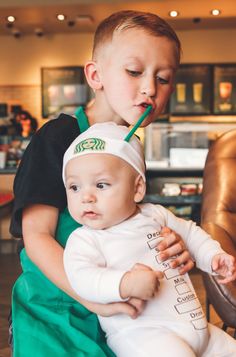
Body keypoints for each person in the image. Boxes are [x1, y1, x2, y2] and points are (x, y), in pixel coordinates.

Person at [10, 10, 195, 356]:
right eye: (134, 72)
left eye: (164, 78)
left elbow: (128, 227)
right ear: (95, 75)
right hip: (54, 311)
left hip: (115, 315)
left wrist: (172, 245)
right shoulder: (58, 136)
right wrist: (93, 299)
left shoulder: (129, 147)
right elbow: (35, 237)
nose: (149, 88)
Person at [63, 121, 236, 357]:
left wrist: (213, 256)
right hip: (144, 335)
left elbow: (191, 233)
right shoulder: (85, 239)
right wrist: (124, 284)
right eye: (74, 187)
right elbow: (81, 277)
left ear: (137, 189)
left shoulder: (155, 214)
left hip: (199, 328)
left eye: (101, 185)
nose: (86, 197)